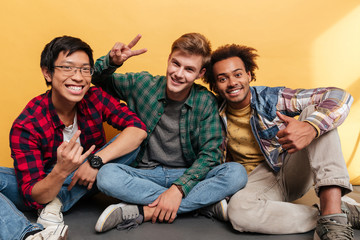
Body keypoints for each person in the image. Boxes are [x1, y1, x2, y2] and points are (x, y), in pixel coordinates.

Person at [91, 33, 247, 232]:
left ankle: (143, 211)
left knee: (236, 173)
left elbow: (211, 155)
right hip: (145, 174)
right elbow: (93, 78)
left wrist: (179, 189)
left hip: (188, 174)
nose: (179, 74)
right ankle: (203, 204)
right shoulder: (142, 85)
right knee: (106, 176)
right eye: (176, 64)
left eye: (189, 69)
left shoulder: (205, 101)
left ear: (200, 73)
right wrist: (111, 62)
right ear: (168, 59)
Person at [203, 44, 360, 240]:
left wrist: (310, 127)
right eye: (222, 79)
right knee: (239, 212)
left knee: (316, 115)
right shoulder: (213, 112)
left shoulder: (272, 99)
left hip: (289, 167)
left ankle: (332, 217)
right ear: (215, 85)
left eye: (237, 74)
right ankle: (332, 212)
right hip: (256, 182)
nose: (232, 83)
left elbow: (339, 96)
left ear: (249, 75)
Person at [0, 35, 147, 240]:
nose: (78, 77)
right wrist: (60, 171)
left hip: (87, 173)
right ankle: (28, 235)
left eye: (85, 69)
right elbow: (35, 193)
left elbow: (138, 129)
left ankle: (53, 206)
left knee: (132, 145)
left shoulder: (94, 97)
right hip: (45, 180)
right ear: (47, 73)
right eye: (67, 68)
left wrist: (96, 162)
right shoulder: (27, 125)